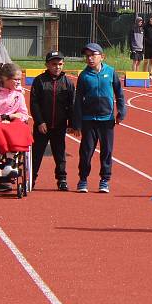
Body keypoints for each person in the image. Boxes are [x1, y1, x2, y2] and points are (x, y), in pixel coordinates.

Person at [71, 43, 126, 193]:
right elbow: (78, 101)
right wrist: (76, 123)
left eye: (93, 55)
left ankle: (104, 180)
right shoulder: (84, 76)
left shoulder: (111, 72)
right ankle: (83, 179)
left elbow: (119, 94)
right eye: (87, 56)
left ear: (102, 56)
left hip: (107, 120)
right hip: (88, 120)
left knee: (107, 151)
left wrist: (121, 112)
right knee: (86, 152)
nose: (89, 58)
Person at [30, 51, 75, 191]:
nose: (57, 67)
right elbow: (34, 103)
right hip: (42, 126)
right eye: (54, 64)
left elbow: (72, 104)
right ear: (47, 65)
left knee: (60, 153)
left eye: (60, 64)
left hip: (59, 125)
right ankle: (31, 178)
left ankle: (61, 179)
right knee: (37, 153)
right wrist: (39, 122)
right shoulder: (39, 81)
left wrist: (71, 123)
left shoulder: (68, 82)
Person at [0, 62, 31, 180]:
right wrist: (7, 117)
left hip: (13, 126)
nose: (19, 82)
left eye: (20, 79)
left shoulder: (18, 95)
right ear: (5, 79)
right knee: (0, 128)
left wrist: (14, 119)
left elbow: (24, 114)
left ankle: (9, 164)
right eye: (16, 79)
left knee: (21, 128)